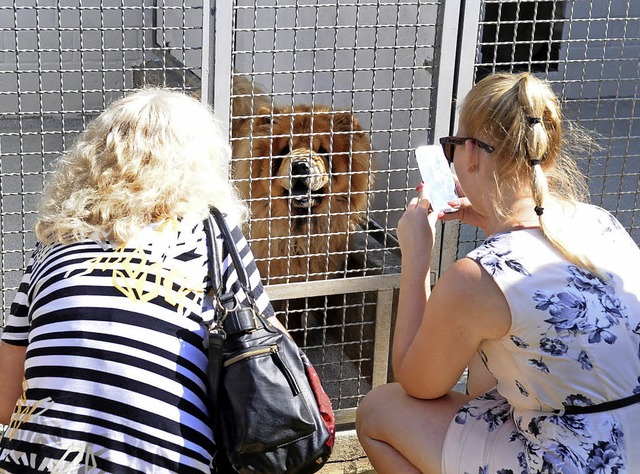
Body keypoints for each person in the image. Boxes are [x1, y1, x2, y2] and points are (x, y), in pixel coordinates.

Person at [355, 72, 640, 473]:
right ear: (547, 154)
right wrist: (494, 225)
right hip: (630, 442)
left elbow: (418, 384)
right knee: (485, 389)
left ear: (470, 153)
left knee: (379, 412)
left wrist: (416, 258)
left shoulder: (478, 275)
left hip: (572, 460)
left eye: (453, 146)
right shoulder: (600, 221)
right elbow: (484, 385)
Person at [0, 88, 289, 472]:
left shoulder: (55, 238)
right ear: (200, 161)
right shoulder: (213, 237)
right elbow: (266, 355)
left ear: (94, 157)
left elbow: (6, 398)